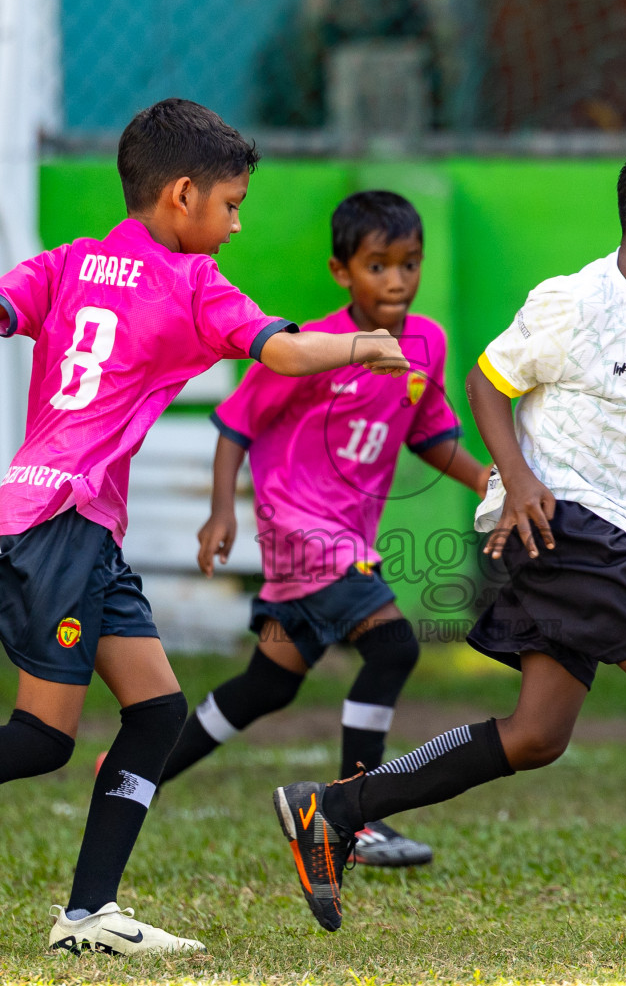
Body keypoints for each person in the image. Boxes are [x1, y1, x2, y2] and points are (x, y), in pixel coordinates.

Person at [0, 98, 407, 957]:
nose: (237, 223)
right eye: (231, 204)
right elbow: (284, 353)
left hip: (62, 518)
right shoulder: (191, 284)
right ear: (182, 195)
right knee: (40, 738)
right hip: (64, 523)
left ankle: (88, 917)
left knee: (156, 711)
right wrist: (365, 346)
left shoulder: (71, 262)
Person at [271, 130, 626, 954]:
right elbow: (489, 381)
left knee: (536, 736)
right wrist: (517, 480)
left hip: (600, 532)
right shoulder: (575, 302)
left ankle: (334, 808)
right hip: (559, 523)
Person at [161, 190, 490, 868]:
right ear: (343, 272)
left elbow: (429, 437)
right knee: (395, 648)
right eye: (378, 266)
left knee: (268, 685)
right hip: (301, 531)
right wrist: (223, 511)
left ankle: (138, 771)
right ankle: (358, 819)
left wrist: (489, 480)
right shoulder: (310, 348)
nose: (396, 280)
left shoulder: (427, 341)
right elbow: (234, 424)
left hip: (344, 542)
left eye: (409, 264)